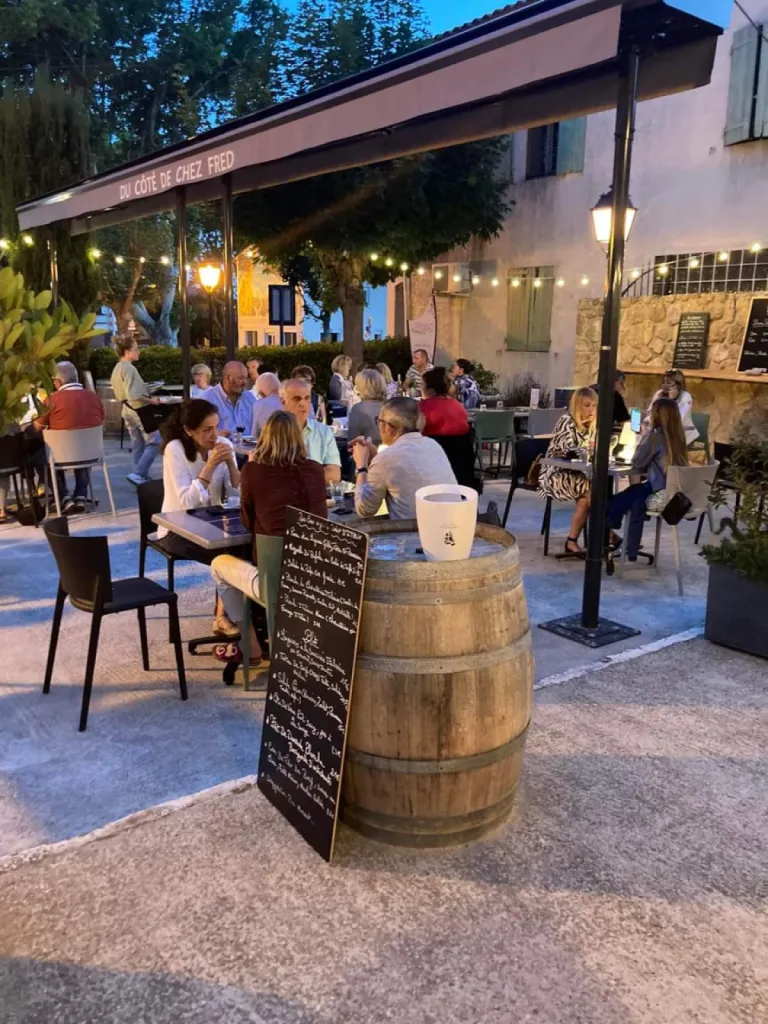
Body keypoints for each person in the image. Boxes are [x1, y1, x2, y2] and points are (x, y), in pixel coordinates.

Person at [210, 411, 328, 662]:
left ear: (265, 438)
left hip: (274, 583)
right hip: (316, 580)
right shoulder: (316, 470)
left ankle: (250, 644)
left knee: (219, 565)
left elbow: (247, 521)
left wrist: (252, 468)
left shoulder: (254, 471)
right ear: (299, 438)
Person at [158, 399, 242, 637]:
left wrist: (230, 463)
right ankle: (225, 617)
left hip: (212, 524)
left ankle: (231, 614)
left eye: (216, 427)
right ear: (189, 430)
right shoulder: (175, 449)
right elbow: (187, 502)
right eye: (207, 430)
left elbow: (237, 495)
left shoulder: (223, 444)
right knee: (228, 557)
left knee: (248, 548)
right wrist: (210, 465)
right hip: (177, 528)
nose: (214, 435)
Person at [607, 397, 689, 558]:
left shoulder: (655, 438)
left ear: (656, 416)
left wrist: (645, 435)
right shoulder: (678, 438)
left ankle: (612, 528)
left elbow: (637, 462)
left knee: (625, 499)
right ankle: (628, 547)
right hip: (676, 494)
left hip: (661, 496)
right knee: (635, 496)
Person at [351, 397, 457, 519]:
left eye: (378, 421)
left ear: (387, 427)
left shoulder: (386, 459)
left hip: (415, 530)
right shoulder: (433, 445)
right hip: (453, 525)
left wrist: (361, 466)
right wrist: (375, 458)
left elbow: (365, 510)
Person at [33, 361, 105, 513]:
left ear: (58, 381)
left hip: (60, 455)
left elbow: (37, 427)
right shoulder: (93, 397)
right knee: (82, 448)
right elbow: (101, 420)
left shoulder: (52, 399)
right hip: (91, 453)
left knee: (40, 456)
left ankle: (63, 497)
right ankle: (81, 495)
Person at [538, 387, 598, 556]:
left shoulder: (592, 425)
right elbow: (569, 450)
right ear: (578, 406)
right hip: (555, 472)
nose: (591, 410)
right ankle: (607, 534)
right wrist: (588, 452)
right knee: (590, 492)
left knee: (589, 497)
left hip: (578, 474)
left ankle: (572, 541)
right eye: (587, 405)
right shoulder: (567, 421)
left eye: (594, 405)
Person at [110, 334, 162, 485]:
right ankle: (138, 473)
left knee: (137, 443)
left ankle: (140, 474)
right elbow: (135, 394)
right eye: (135, 349)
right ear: (127, 352)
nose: (138, 352)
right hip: (139, 409)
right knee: (155, 441)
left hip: (126, 409)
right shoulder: (129, 369)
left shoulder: (117, 368)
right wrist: (152, 400)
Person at [280, 378, 341, 483]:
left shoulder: (324, 432)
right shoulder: (274, 432)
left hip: (315, 492)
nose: (302, 403)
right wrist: (316, 474)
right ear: (283, 402)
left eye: (307, 398)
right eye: (297, 399)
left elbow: (334, 475)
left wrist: (297, 477)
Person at [204, 360, 256, 437]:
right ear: (228, 378)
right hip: (221, 444)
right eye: (241, 378)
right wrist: (216, 434)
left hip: (250, 444)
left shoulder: (250, 398)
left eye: (246, 378)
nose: (244, 382)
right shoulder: (208, 398)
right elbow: (200, 431)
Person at [647, 369, 698, 445]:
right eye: (664, 382)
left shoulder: (686, 397)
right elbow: (650, 412)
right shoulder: (659, 394)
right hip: (663, 434)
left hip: (682, 436)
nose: (665, 385)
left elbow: (676, 420)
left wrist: (671, 400)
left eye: (668, 383)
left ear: (678, 385)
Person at [420, 366, 470, 437]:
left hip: (434, 442)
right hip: (461, 443)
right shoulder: (456, 404)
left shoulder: (424, 407)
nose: (420, 387)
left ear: (430, 389)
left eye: (422, 384)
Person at [347, 369, 387, 445]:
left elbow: (352, 441)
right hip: (391, 450)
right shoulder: (392, 406)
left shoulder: (358, 409)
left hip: (368, 450)